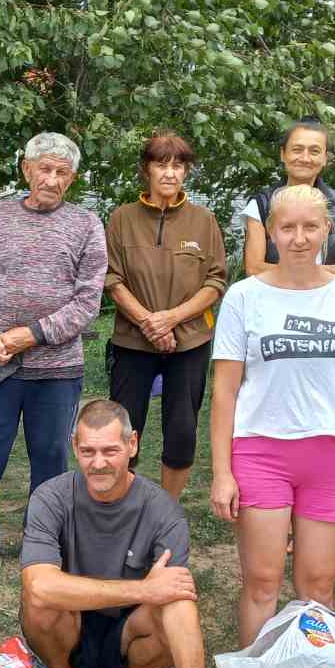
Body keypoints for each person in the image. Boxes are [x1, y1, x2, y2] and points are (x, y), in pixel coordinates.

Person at [209, 184, 335, 668]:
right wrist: (222, 471)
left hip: (333, 454)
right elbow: (226, 389)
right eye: (288, 228)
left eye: (312, 228)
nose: (300, 239)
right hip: (260, 451)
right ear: (270, 232)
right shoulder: (243, 296)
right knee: (261, 583)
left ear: (328, 231)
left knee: (317, 587)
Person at [20, 400, 217, 668]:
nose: (98, 463)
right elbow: (41, 587)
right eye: (88, 451)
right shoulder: (49, 497)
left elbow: (177, 599)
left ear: (133, 444)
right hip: (68, 619)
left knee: (177, 601)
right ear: (74, 445)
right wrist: (142, 588)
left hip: (129, 629)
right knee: (37, 601)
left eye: (110, 450)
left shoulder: (162, 510)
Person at [0, 133, 106, 576]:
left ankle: (44, 543)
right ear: (26, 170)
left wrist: (31, 335)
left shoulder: (86, 225)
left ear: (71, 179)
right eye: (44, 169)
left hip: (56, 368)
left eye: (61, 172)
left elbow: (87, 303)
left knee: (51, 459)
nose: (51, 179)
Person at [104, 129, 227, 502]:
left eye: (178, 165)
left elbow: (216, 281)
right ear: (147, 170)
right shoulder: (122, 219)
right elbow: (112, 278)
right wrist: (148, 322)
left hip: (189, 342)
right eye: (162, 164)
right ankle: (121, 504)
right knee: (124, 428)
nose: (170, 173)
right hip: (132, 342)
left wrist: (170, 319)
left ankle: (166, 509)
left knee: (181, 430)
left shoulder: (204, 221)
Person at [240, 119, 335, 283]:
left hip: (329, 302)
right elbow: (254, 268)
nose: (305, 158)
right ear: (283, 154)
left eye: (314, 151)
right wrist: (322, 272)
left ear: (325, 158)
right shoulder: (261, 205)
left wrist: (307, 275)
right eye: (297, 150)